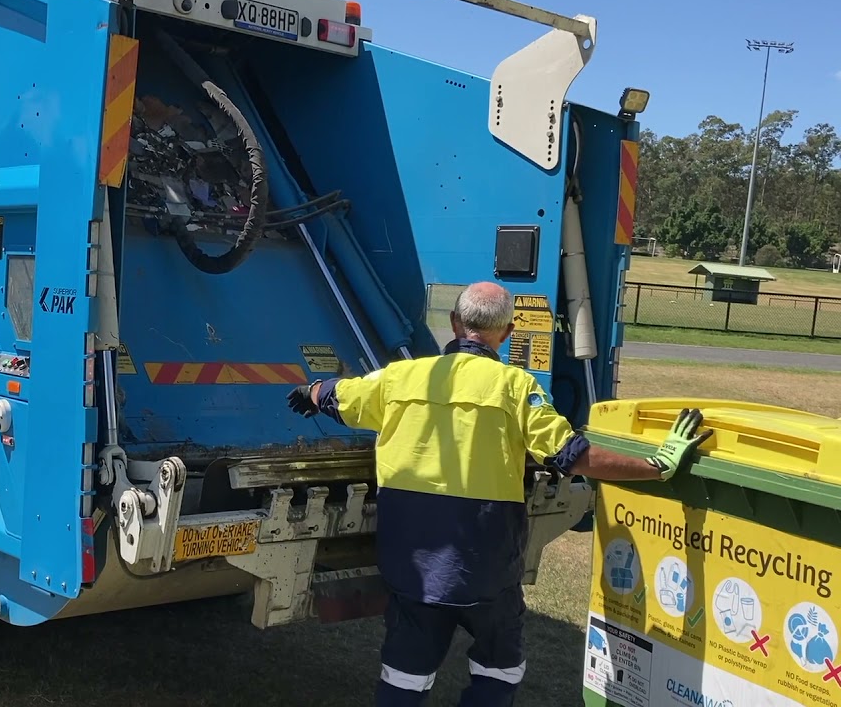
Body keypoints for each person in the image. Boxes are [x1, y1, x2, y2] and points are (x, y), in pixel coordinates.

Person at [285, 281, 713, 707]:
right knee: (499, 669)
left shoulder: (399, 378)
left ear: (455, 322)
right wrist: (656, 466)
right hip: (486, 570)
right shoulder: (516, 387)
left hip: (414, 572)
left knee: (405, 677)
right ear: (507, 332)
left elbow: (338, 394)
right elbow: (574, 457)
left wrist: (312, 391)